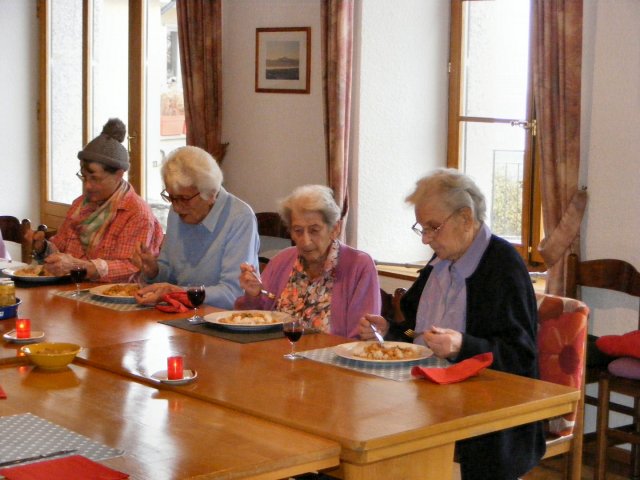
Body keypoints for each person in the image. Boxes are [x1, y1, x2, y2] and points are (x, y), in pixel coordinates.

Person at [358, 168, 544, 480]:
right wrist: (386, 329)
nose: (427, 239)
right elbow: (413, 330)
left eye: (433, 228)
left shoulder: (503, 267)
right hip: (428, 399)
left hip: (487, 420)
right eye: (422, 228)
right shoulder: (440, 263)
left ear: (466, 219)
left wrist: (462, 346)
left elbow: (521, 357)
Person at [26, 118, 163, 283]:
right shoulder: (80, 204)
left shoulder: (136, 213)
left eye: (95, 178)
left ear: (119, 175)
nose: (88, 186)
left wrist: (80, 266)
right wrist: (43, 248)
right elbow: (60, 248)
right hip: (73, 291)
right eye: (84, 177)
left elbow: (130, 269)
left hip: (117, 301)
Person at [235, 184, 380, 338]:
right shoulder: (281, 261)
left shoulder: (359, 266)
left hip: (329, 360)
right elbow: (254, 321)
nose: (305, 241)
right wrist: (253, 294)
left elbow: (360, 339)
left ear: (334, 229)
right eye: (298, 230)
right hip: (276, 355)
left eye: (314, 230)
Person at [133, 145, 259, 309]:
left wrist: (179, 292)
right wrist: (154, 271)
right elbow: (169, 275)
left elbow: (234, 294)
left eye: (184, 199)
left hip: (220, 321)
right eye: (171, 198)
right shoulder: (176, 212)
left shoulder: (239, 218)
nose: (177, 208)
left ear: (211, 194)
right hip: (182, 315)